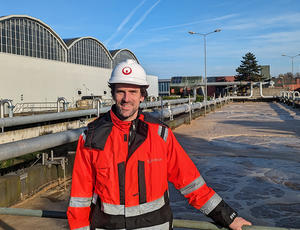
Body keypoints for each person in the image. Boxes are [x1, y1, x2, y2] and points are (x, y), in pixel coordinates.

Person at [67, 59, 252, 230]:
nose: (126, 98)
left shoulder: (160, 134)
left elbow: (190, 183)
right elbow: (79, 198)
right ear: (113, 93)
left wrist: (228, 217)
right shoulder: (91, 137)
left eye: (133, 92)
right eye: (121, 91)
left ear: (142, 96)